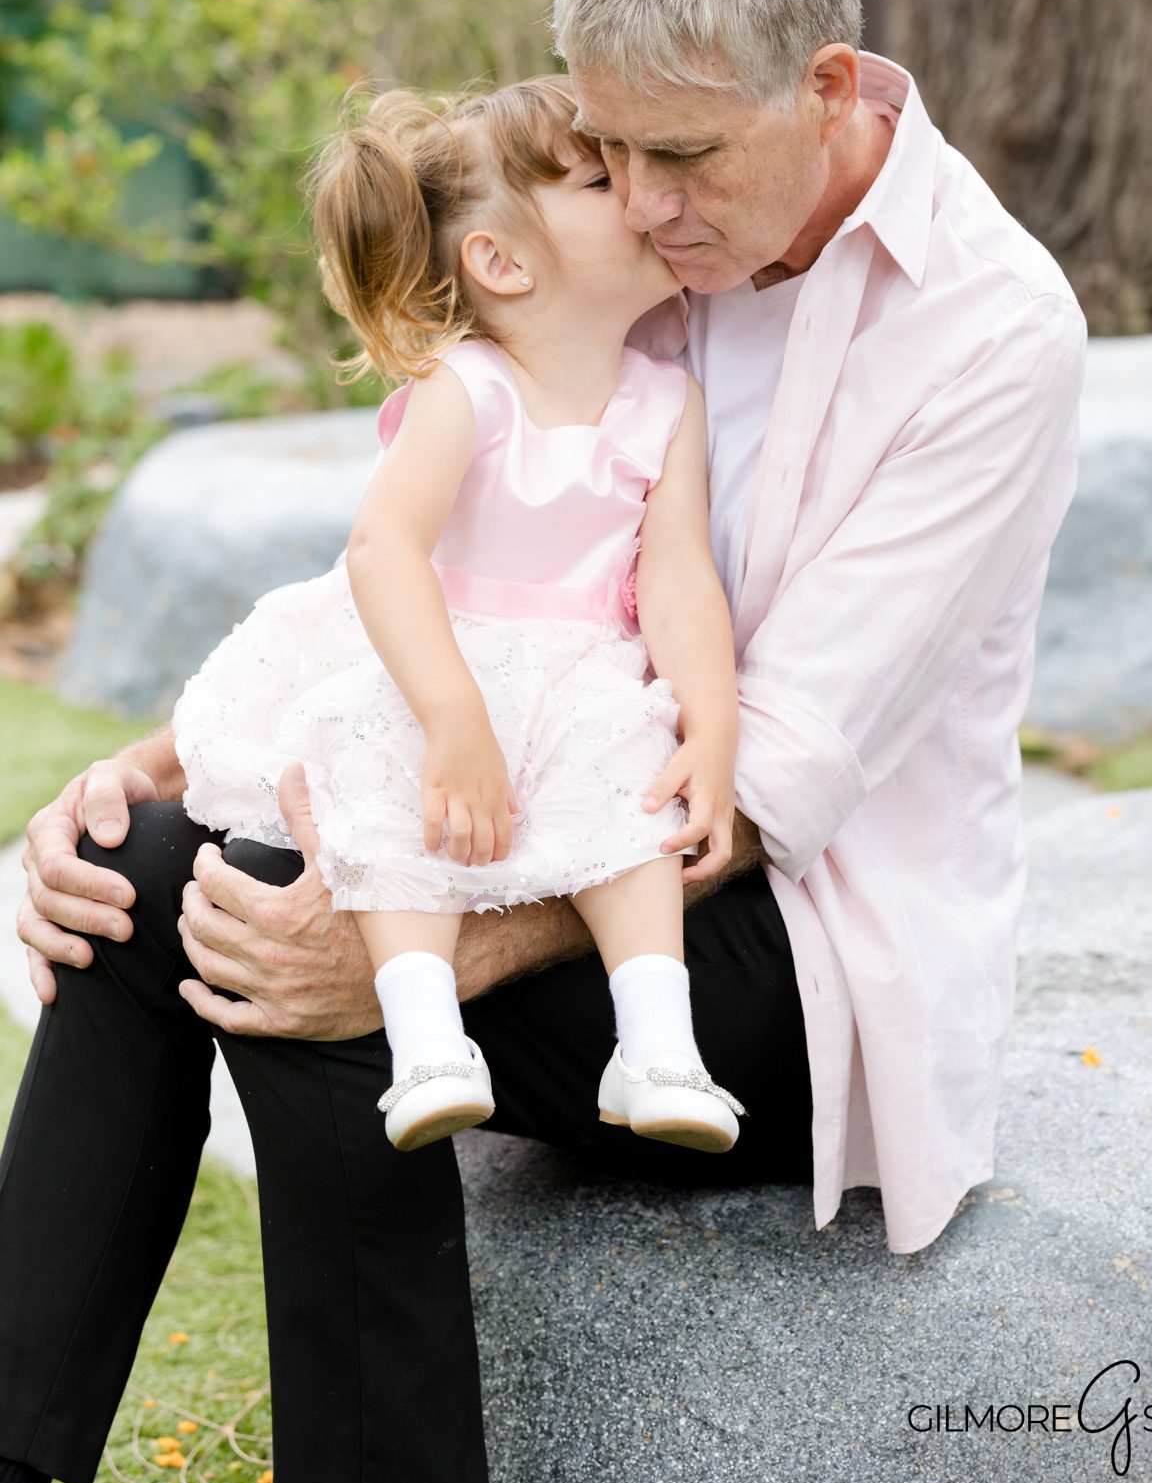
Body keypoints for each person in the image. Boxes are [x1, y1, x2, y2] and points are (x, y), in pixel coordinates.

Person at [0, 0, 1087, 1483]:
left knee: (319, 945)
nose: (647, 206)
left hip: (790, 948)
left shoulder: (993, 331)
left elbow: (768, 783)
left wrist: (417, 943)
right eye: (609, 151)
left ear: (822, 83)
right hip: (558, 815)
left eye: (684, 158)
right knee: (156, 876)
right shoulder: (654, 250)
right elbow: (487, 578)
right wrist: (156, 766)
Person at [171, 76, 746, 1155]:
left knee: (632, 810)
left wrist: (711, 728)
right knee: (395, 817)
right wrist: (452, 715)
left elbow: (678, 581)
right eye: (598, 176)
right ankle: (428, 1040)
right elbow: (384, 547)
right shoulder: (467, 388)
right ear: (502, 262)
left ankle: (658, 1046)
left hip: (584, 677)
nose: (638, 195)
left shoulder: (667, 400)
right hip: (448, 666)